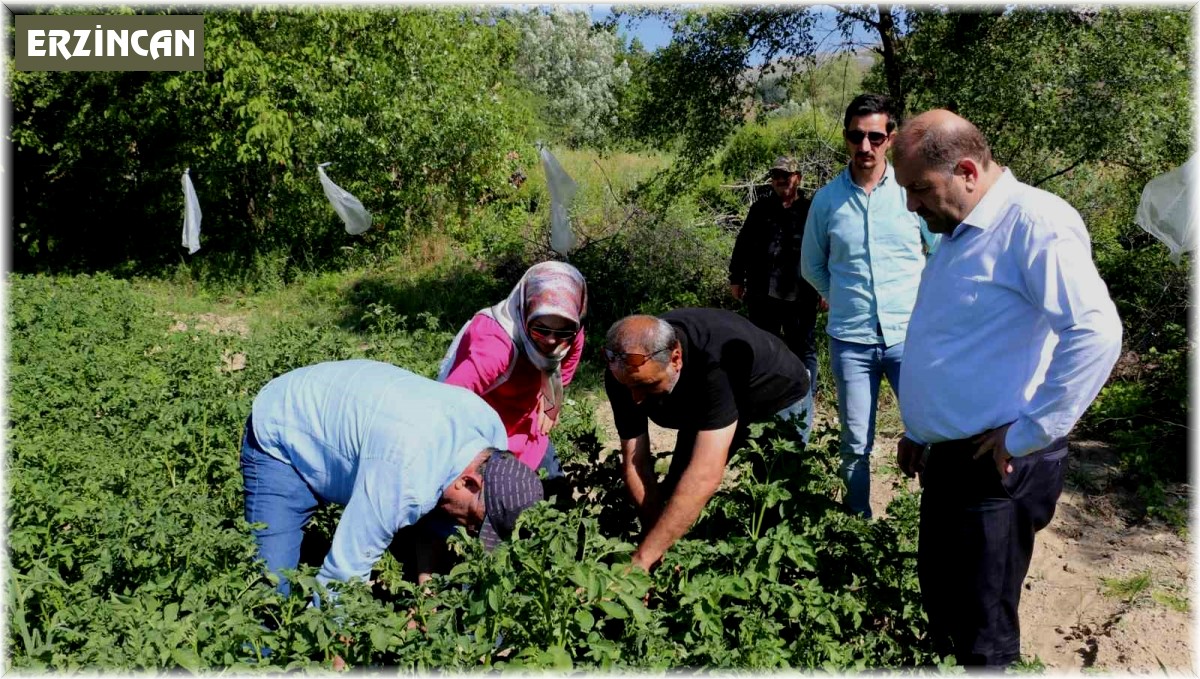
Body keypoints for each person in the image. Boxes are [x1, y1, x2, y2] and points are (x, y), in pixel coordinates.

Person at [891, 110, 1122, 667]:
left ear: (967, 170)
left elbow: (1095, 333)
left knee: (983, 631)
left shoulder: (1033, 223)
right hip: (955, 459)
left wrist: (1030, 432)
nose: (911, 206)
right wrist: (921, 428)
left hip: (997, 466)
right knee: (948, 604)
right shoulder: (960, 228)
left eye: (919, 189)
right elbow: (965, 340)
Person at [240, 359, 543, 599]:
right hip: (286, 431)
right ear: (469, 482)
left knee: (449, 511)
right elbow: (344, 573)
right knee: (270, 586)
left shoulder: (488, 437)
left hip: (350, 421)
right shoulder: (403, 475)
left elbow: (437, 518)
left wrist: (428, 598)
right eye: (479, 521)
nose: (474, 530)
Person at [800, 93, 939, 517]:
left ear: (890, 138)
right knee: (855, 442)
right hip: (851, 341)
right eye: (856, 136)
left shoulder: (910, 191)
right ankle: (857, 526)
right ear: (845, 138)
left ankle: (941, 523)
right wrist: (841, 295)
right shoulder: (826, 201)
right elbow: (812, 265)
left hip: (909, 338)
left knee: (933, 434)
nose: (865, 147)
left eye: (875, 137)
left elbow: (938, 252)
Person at [603, 308, 810, 571]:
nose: (636, 399)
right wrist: (654, 541)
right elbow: (636, 463)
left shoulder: (714, 362)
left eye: (648, 386)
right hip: (703, 400)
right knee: (675, 490)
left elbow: (705, 474)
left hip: (776, 397)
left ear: (676, 359)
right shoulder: (624, 370)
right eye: (628, 388)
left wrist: (643, 558)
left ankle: (769, 578)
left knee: (773, 507)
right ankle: (674, 562)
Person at [438, 261, 587, 491]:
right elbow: (445, 408)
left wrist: (552, 398)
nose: (551, 341)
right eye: (541, 329)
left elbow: (570, 355)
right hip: (483, 430)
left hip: (527, 426)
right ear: (525, 311)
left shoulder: (570, 329)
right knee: (497, 510)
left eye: (562, 332)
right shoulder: (495, 350)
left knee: (557, 495)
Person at [729, 155, 823, 443]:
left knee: (803, 349)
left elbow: (825, 248)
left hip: (801, 293)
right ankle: (763, 401)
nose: (782, 180)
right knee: (761, 347)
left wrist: (824, 287)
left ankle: (805, 400)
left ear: (799, 178)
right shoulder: (760, 209)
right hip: (762, 292)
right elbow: (743, 243)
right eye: (777, 175)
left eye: (788, 174)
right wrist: (736, 277)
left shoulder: (811, 209)